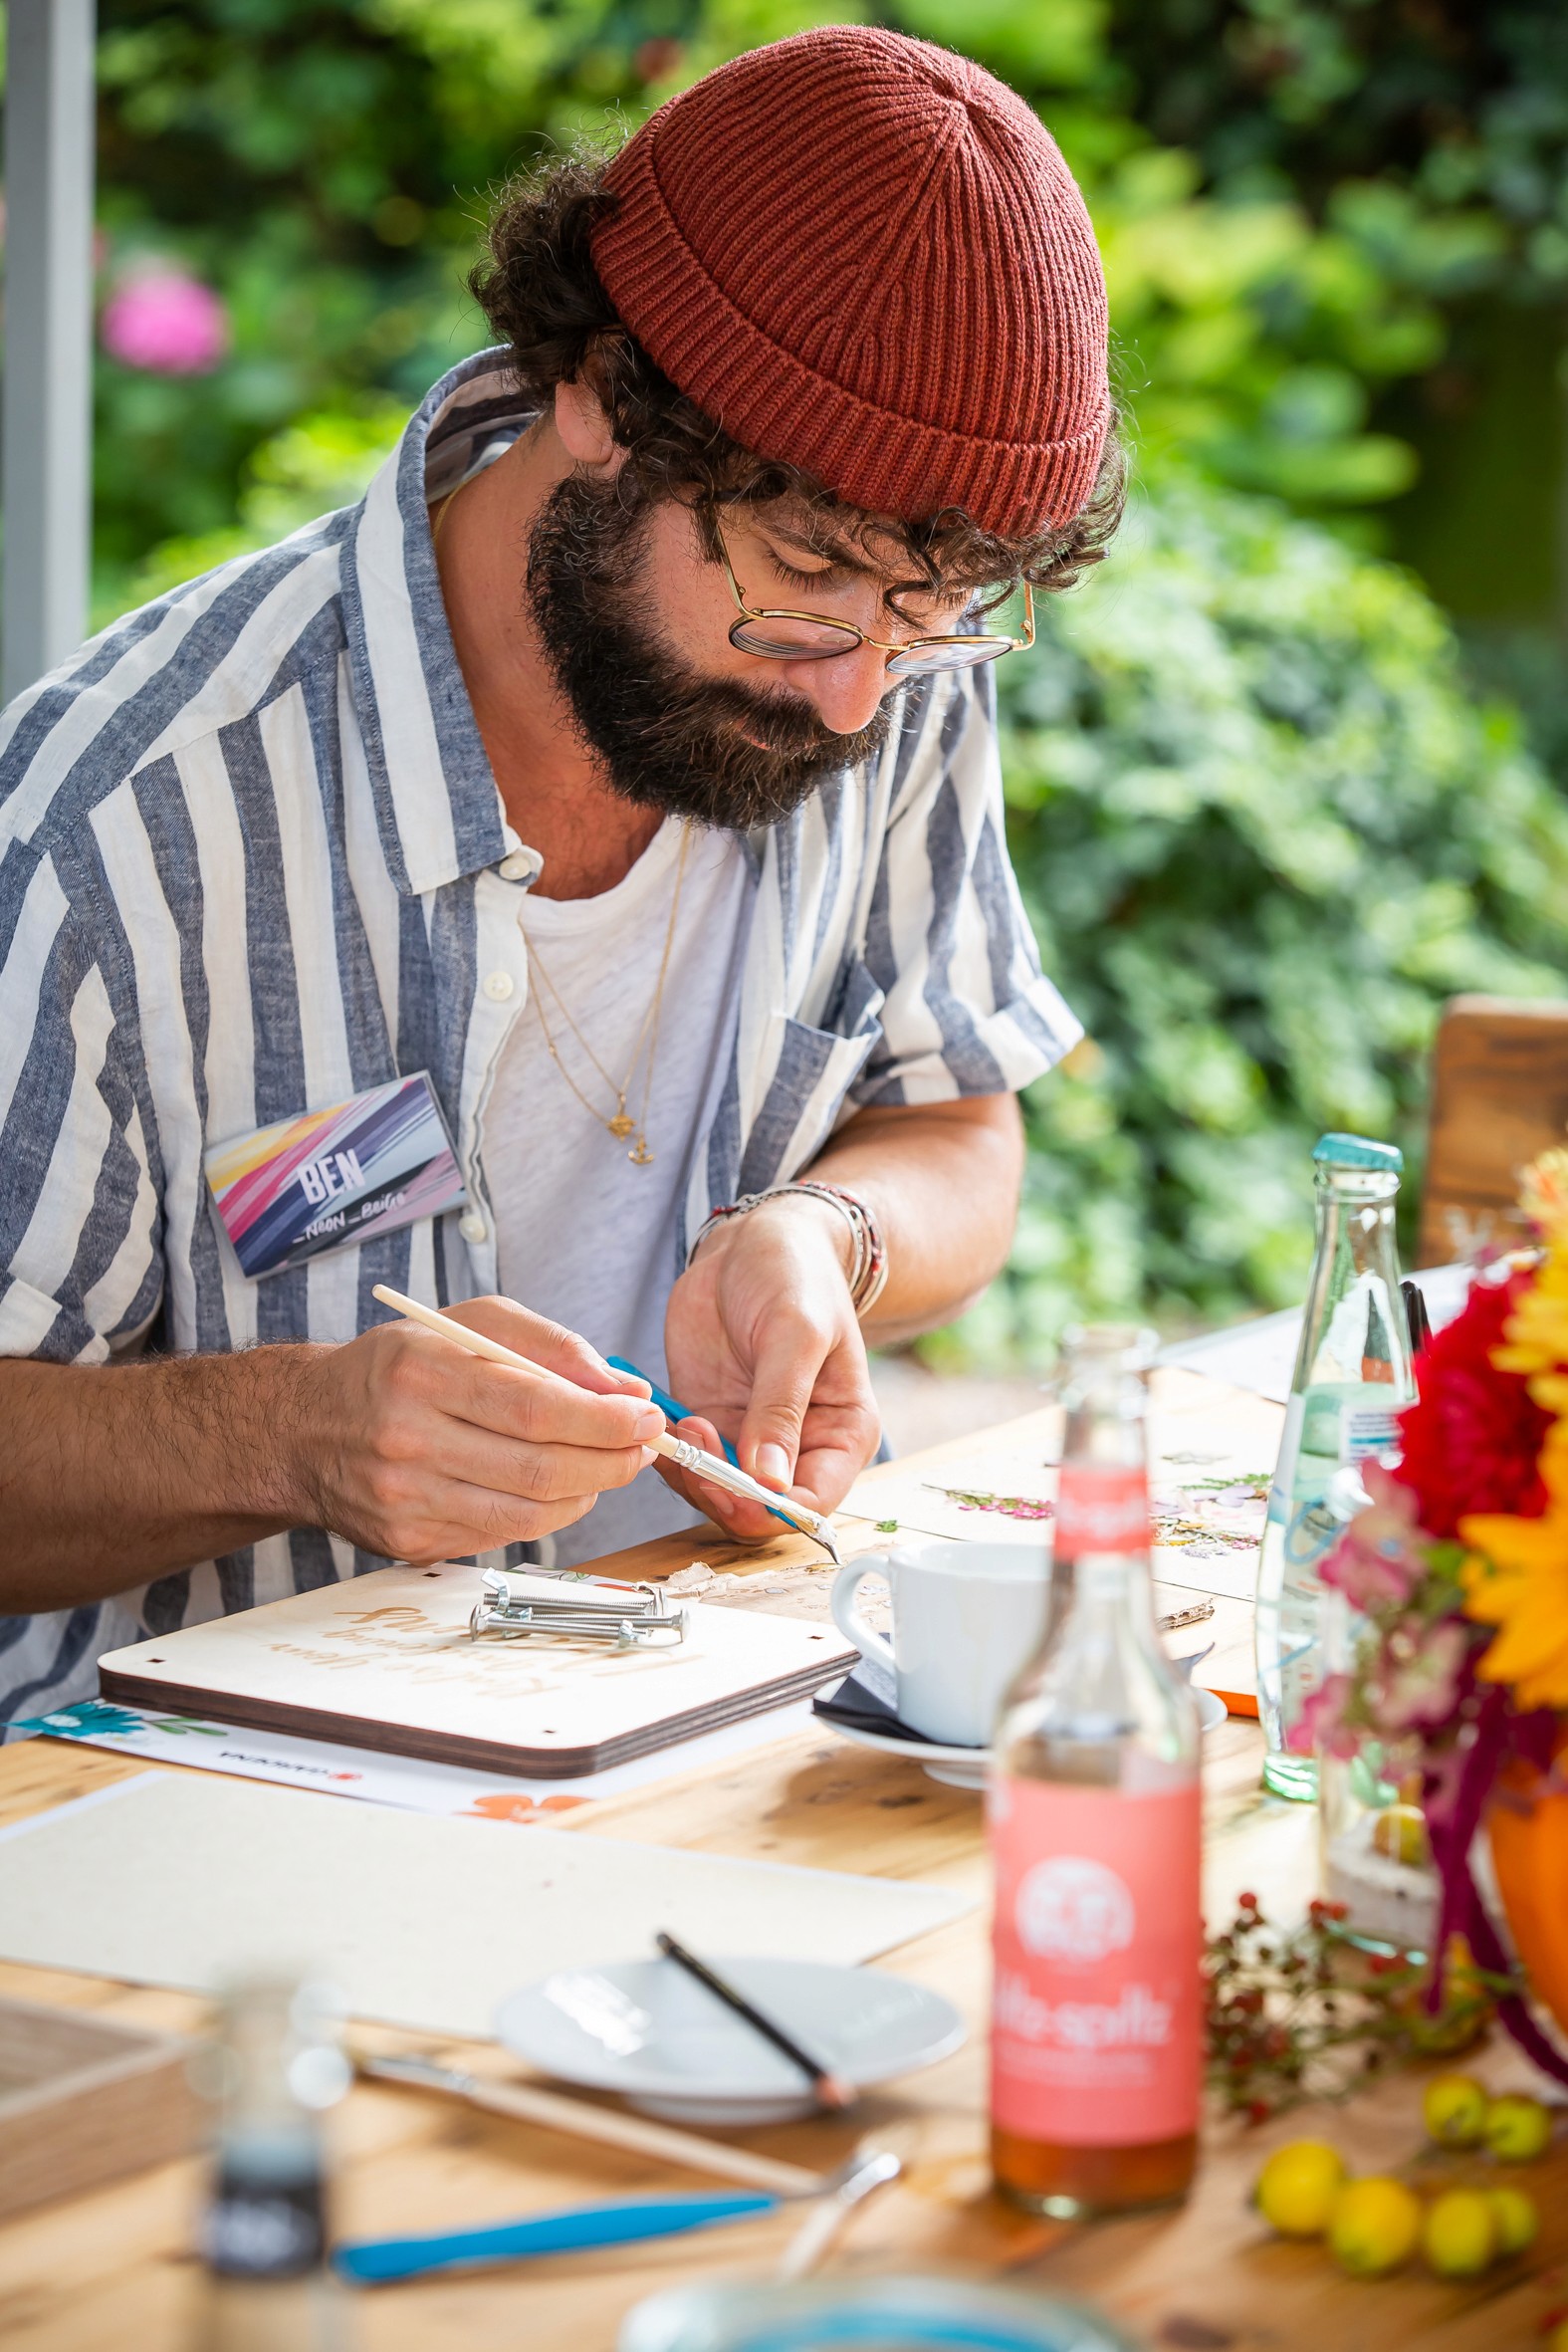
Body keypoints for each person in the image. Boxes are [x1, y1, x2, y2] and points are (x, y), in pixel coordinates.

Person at [0, 25, 1120, 1724]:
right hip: (199, 1822)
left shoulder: (882, 675)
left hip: (734, 1719)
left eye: (937, 607)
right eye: (805, 573)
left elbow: (959, 1120)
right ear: (601, 384)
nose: (856, 692)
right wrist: (292, 1436)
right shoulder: (124, 817)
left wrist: (828, 1234)